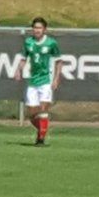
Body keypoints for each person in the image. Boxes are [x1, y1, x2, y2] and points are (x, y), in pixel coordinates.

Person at [20, 17, 62, 147]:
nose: (37, 30)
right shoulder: (28, 42)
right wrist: (18, 70)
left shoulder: (51, 43)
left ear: (44, 29)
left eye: (39, 28)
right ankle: (42, 130)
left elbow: (59, 61)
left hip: (46, 81)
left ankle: (41, 139)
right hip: (33, 81)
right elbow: (23, 58)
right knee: (32, 113)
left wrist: (56, 79)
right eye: (35, 27)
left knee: (43, 110)